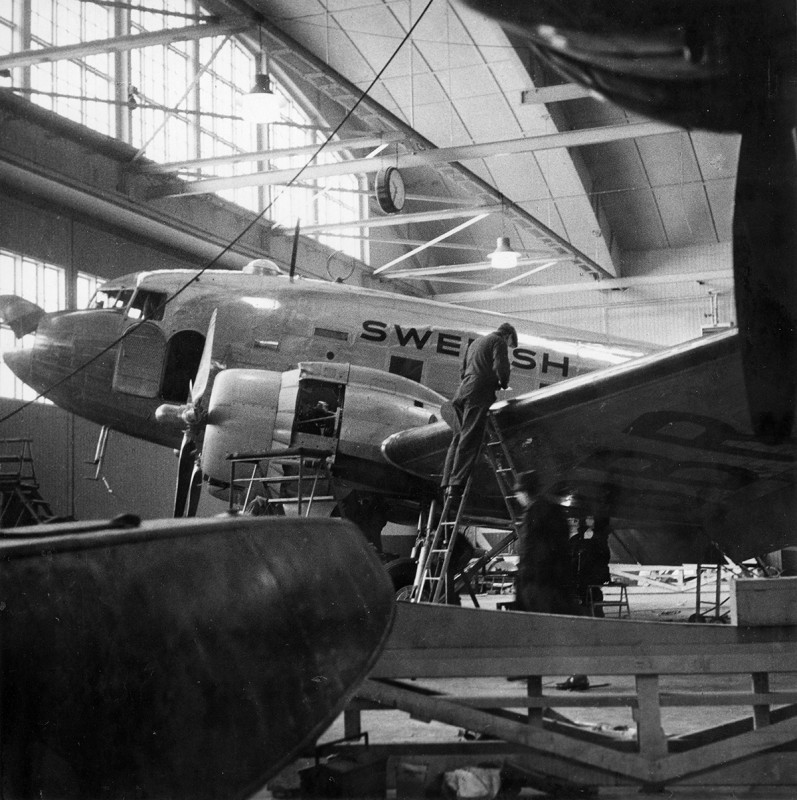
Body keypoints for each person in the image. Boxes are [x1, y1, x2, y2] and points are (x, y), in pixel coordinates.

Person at [441, 322, 517, 495]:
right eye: (510, 343)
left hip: (462, 391)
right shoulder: (498, 342)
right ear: (508, 336)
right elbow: (501, 367)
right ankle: (457, 483)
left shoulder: (475, 343)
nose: (508, 346)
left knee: (458, 437)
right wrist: (503, 383)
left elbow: (463, 369)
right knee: (471, 438)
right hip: (479, 393)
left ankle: (446, 482)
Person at [513, 472, 582, 616]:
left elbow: (529, 548)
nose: (516, 497)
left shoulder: (533, 512)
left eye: (517, 493)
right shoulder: (554, 509)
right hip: (555, 579)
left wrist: (524, 576)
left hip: (537, 580)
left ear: (525, 492)